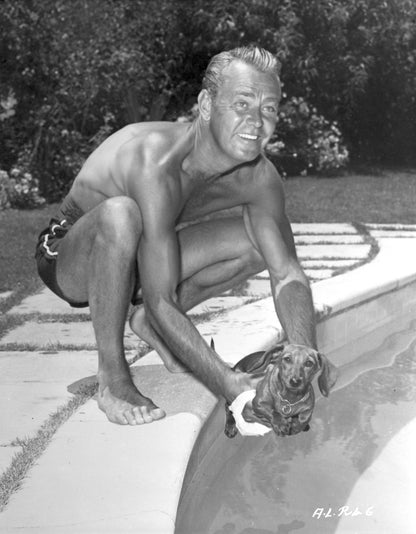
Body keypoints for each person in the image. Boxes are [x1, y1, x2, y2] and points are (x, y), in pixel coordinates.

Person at [35, 45, 319, 426]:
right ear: (205, 104)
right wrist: (227, 381)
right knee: (122, 214)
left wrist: (304, 355)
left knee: (263, 244)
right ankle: (112, 377)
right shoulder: (155, 161)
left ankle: (153, 329)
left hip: (142, 253)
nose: (257, 121)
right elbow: (159, 297)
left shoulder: (260, 178)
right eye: (242, 104)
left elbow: (288, 273)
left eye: (268, 108)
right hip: (71, 253)